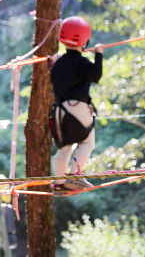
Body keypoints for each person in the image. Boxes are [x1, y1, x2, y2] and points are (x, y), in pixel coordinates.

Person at [48, 16, 103, 194]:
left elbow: (54, 73)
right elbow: (95, 76)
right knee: (86, 142)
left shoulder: (58, 63)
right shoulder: (82, 62)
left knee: (64, 148)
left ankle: (59, 182)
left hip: (59, 110)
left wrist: (55, 62)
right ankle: (75, 176)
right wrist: (99, 54)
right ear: (85, 40)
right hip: (77, 107)